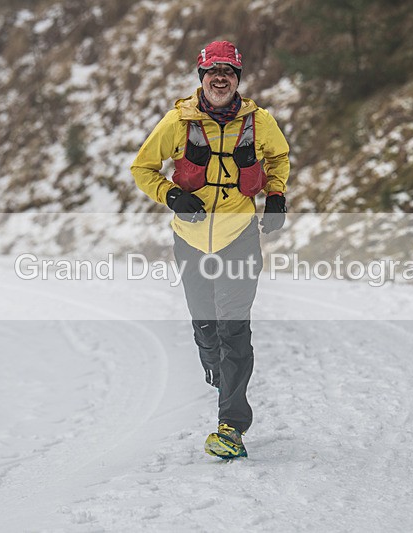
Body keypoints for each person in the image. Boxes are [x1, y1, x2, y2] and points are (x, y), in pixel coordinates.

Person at [131, 40, 290, 459]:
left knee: (233, 328)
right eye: (212, 71)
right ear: (201, 77)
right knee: (206, 326)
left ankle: (231, 426)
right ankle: (219, 372)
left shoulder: (260, 122)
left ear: (238, 78)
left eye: (229, 71)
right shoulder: (178, 122)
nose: (221, 77)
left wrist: (276, 198)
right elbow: (142, 168)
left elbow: (278, 159)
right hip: (190, 239)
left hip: (239, 237)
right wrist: (171, 196)